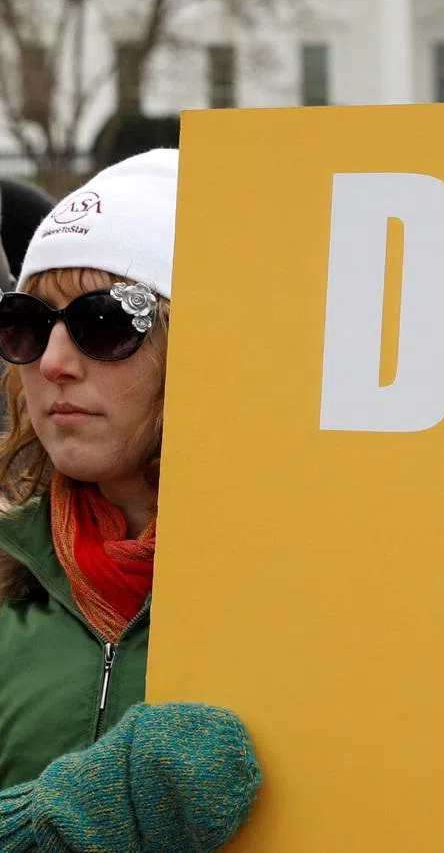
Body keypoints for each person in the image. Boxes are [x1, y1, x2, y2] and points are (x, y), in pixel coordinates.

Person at [0, 150, 260, 849]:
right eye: (27, 322)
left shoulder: (302, 595)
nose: (53, 361)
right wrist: (49, 824)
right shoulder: (4, 577)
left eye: (107, 323)